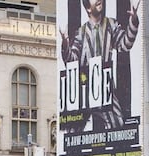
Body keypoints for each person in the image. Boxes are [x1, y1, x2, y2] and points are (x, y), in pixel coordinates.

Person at [60, 0, 140, 131]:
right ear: (88, 8)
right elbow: (71, 61)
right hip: (84, 87)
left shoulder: (111, 24)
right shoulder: (81, 32)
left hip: (104, 85)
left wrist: (134, 20)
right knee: (73, 127)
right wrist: (65, 44)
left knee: (117, 123)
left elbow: (125, 44)